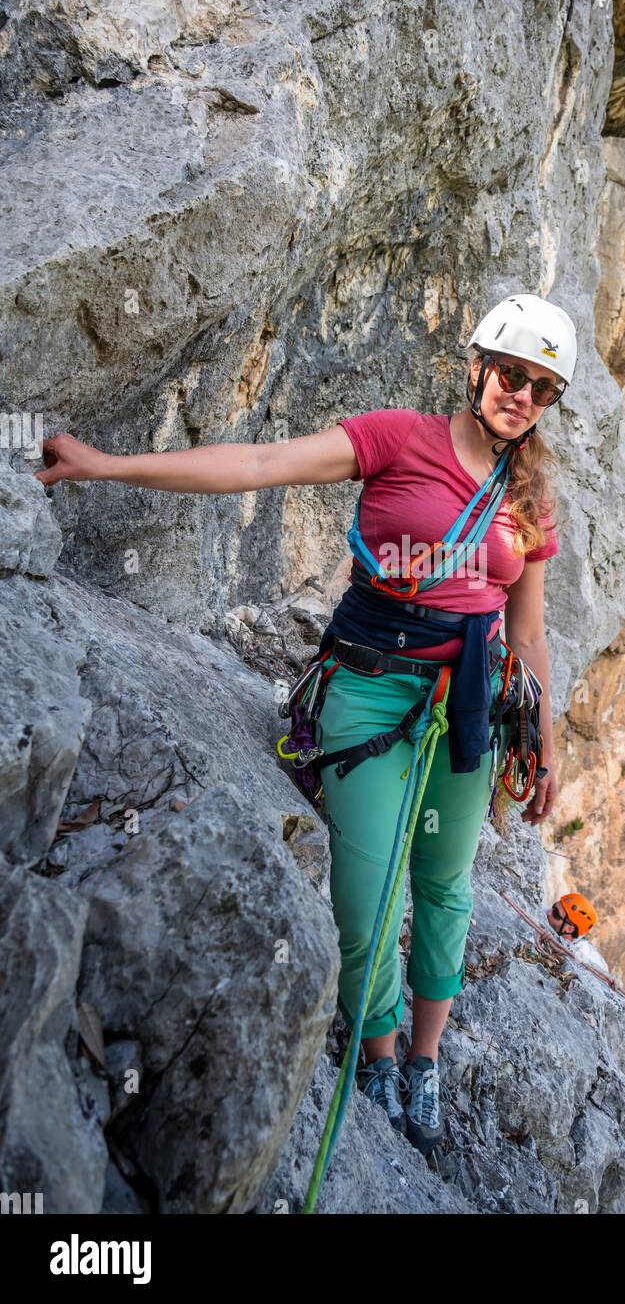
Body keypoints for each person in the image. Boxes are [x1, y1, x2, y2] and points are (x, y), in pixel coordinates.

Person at [33, 292, 576, 1156]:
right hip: (368, 691)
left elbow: (530, 629)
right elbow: (259, 464)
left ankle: (423, 1063)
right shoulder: (399, 439)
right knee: (365, 903)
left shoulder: (530, 497)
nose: (521, 396)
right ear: (476, 366)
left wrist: (544, 743)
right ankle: (378, 1046)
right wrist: (104, 465)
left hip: (469, 706)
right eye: (512, 373)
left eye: (543, 389)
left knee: (445, 888)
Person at [547, 897, 625, 1213]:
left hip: (623, 1047)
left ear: (570, 929)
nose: (549, 913)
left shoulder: (582, 956)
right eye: (555, 908)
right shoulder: (568, 938)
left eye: (556, 914)